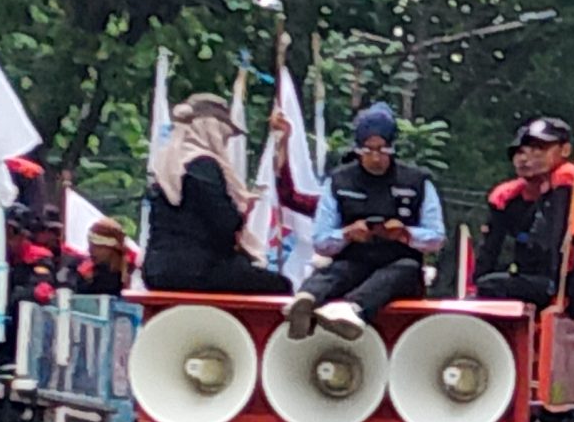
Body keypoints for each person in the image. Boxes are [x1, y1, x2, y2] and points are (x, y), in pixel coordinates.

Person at [279, 104, 443, 337]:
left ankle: (351, 309)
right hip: (354, 259)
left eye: (383, 150)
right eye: (368, 150)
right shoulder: (339, 181)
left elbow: (437, 237)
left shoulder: (417, 181)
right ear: (357, 149)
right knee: (335, 271)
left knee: (405, 270)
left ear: (392, 148)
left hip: (399, 263)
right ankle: (305, 301)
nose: (376, 158)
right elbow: (320, 240)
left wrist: (405, 234)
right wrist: (346, 234)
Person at [141, 94, 289, 294]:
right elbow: (224, 224)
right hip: (199, 270)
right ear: (212, 130)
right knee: (280, 286)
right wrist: (241, 213)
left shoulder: (163, 166)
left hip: (156, 270)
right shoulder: (203, 165)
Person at [474, 117, 574, 307]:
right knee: (486, 285)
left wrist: (571, 299)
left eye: (539, 148)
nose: (525, 158)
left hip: (566, 285)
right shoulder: (507, 198)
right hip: (530, 278)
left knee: (493, 286)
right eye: (519, 152)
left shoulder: (568, 185)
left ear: (565, 150)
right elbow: (488, 252)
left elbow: (562, 245)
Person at [68, 218, 136, 297]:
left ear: (109, 248)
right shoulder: (95, 269)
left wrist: (85, 281)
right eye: (90, 246)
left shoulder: (114, 276)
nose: (90, 250)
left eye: (96, 247)